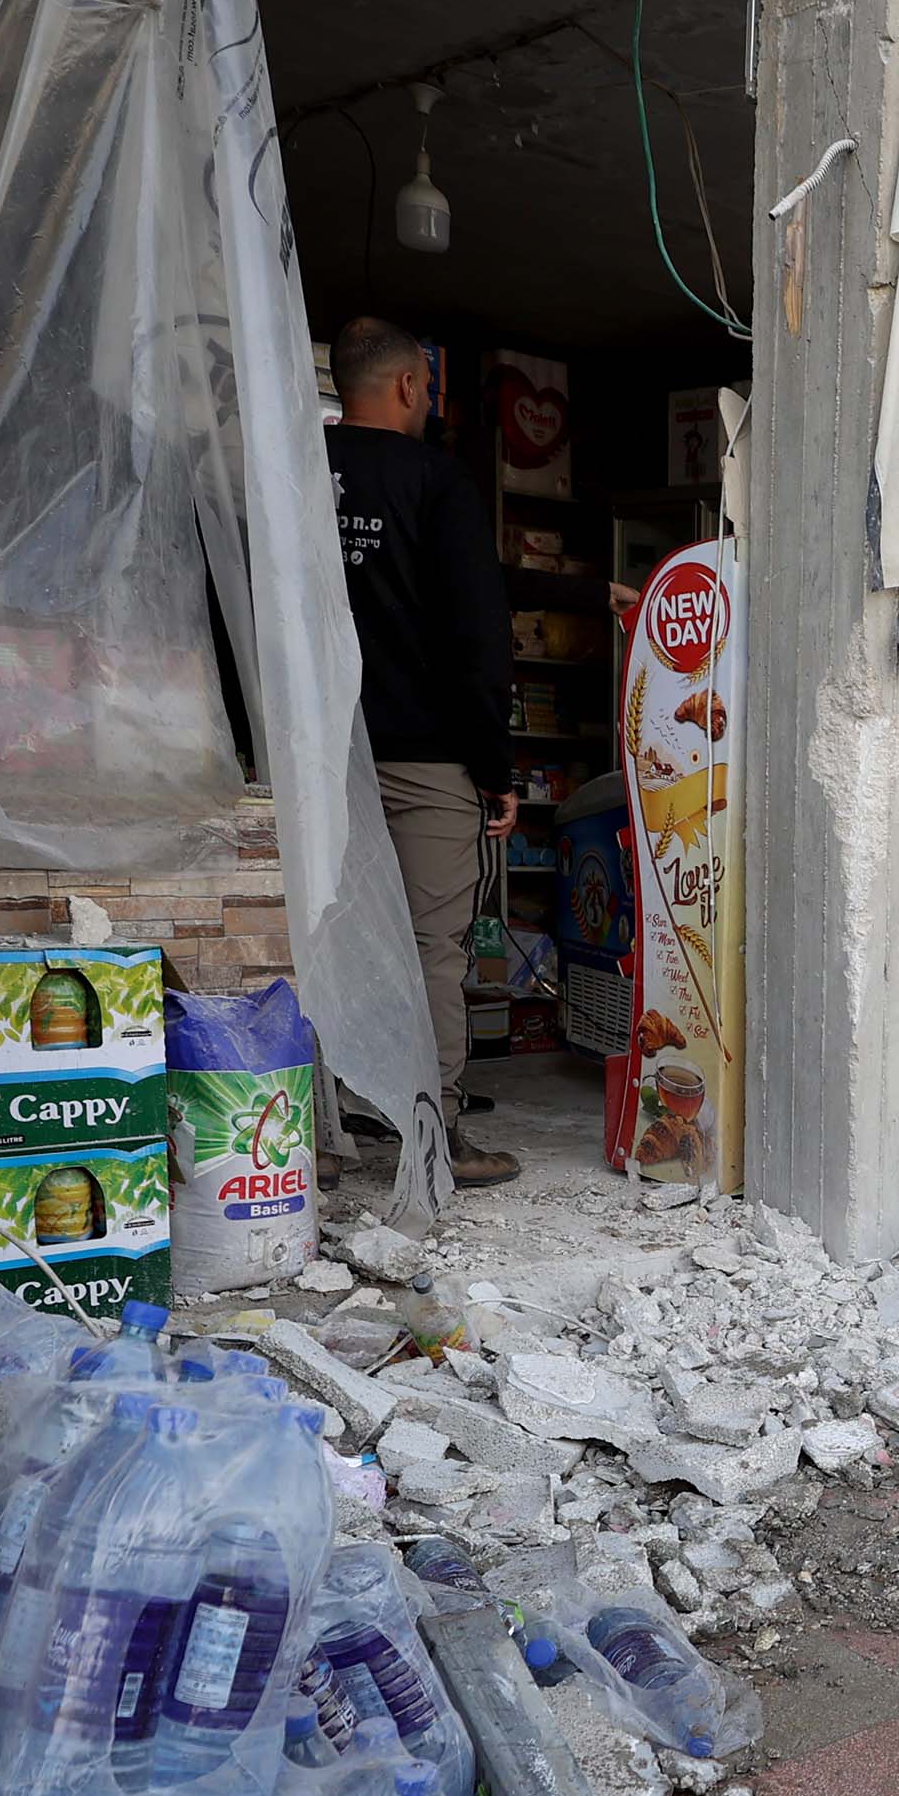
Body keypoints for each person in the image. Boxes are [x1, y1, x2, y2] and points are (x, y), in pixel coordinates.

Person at [327, 316, 520, 1190]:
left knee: (324, 940)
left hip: (316, 755)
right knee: (431, 947)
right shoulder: (437, 482)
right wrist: (494, 768)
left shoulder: (293, 479)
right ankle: (433, 1133)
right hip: (426, 759)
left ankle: (321, 1131)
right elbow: (478, 636)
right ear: (410, 385)